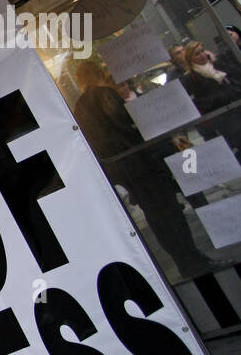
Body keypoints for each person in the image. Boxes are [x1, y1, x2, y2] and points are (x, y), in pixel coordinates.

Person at [72, 60, 213, 278]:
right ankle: (190, 258)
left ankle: (185, 259)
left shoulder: (81, 106)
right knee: (169, 212)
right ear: (98, 73)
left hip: (125, 168)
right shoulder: (104, 94)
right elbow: (125, 124)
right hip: (141, 162)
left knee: (158, 216)